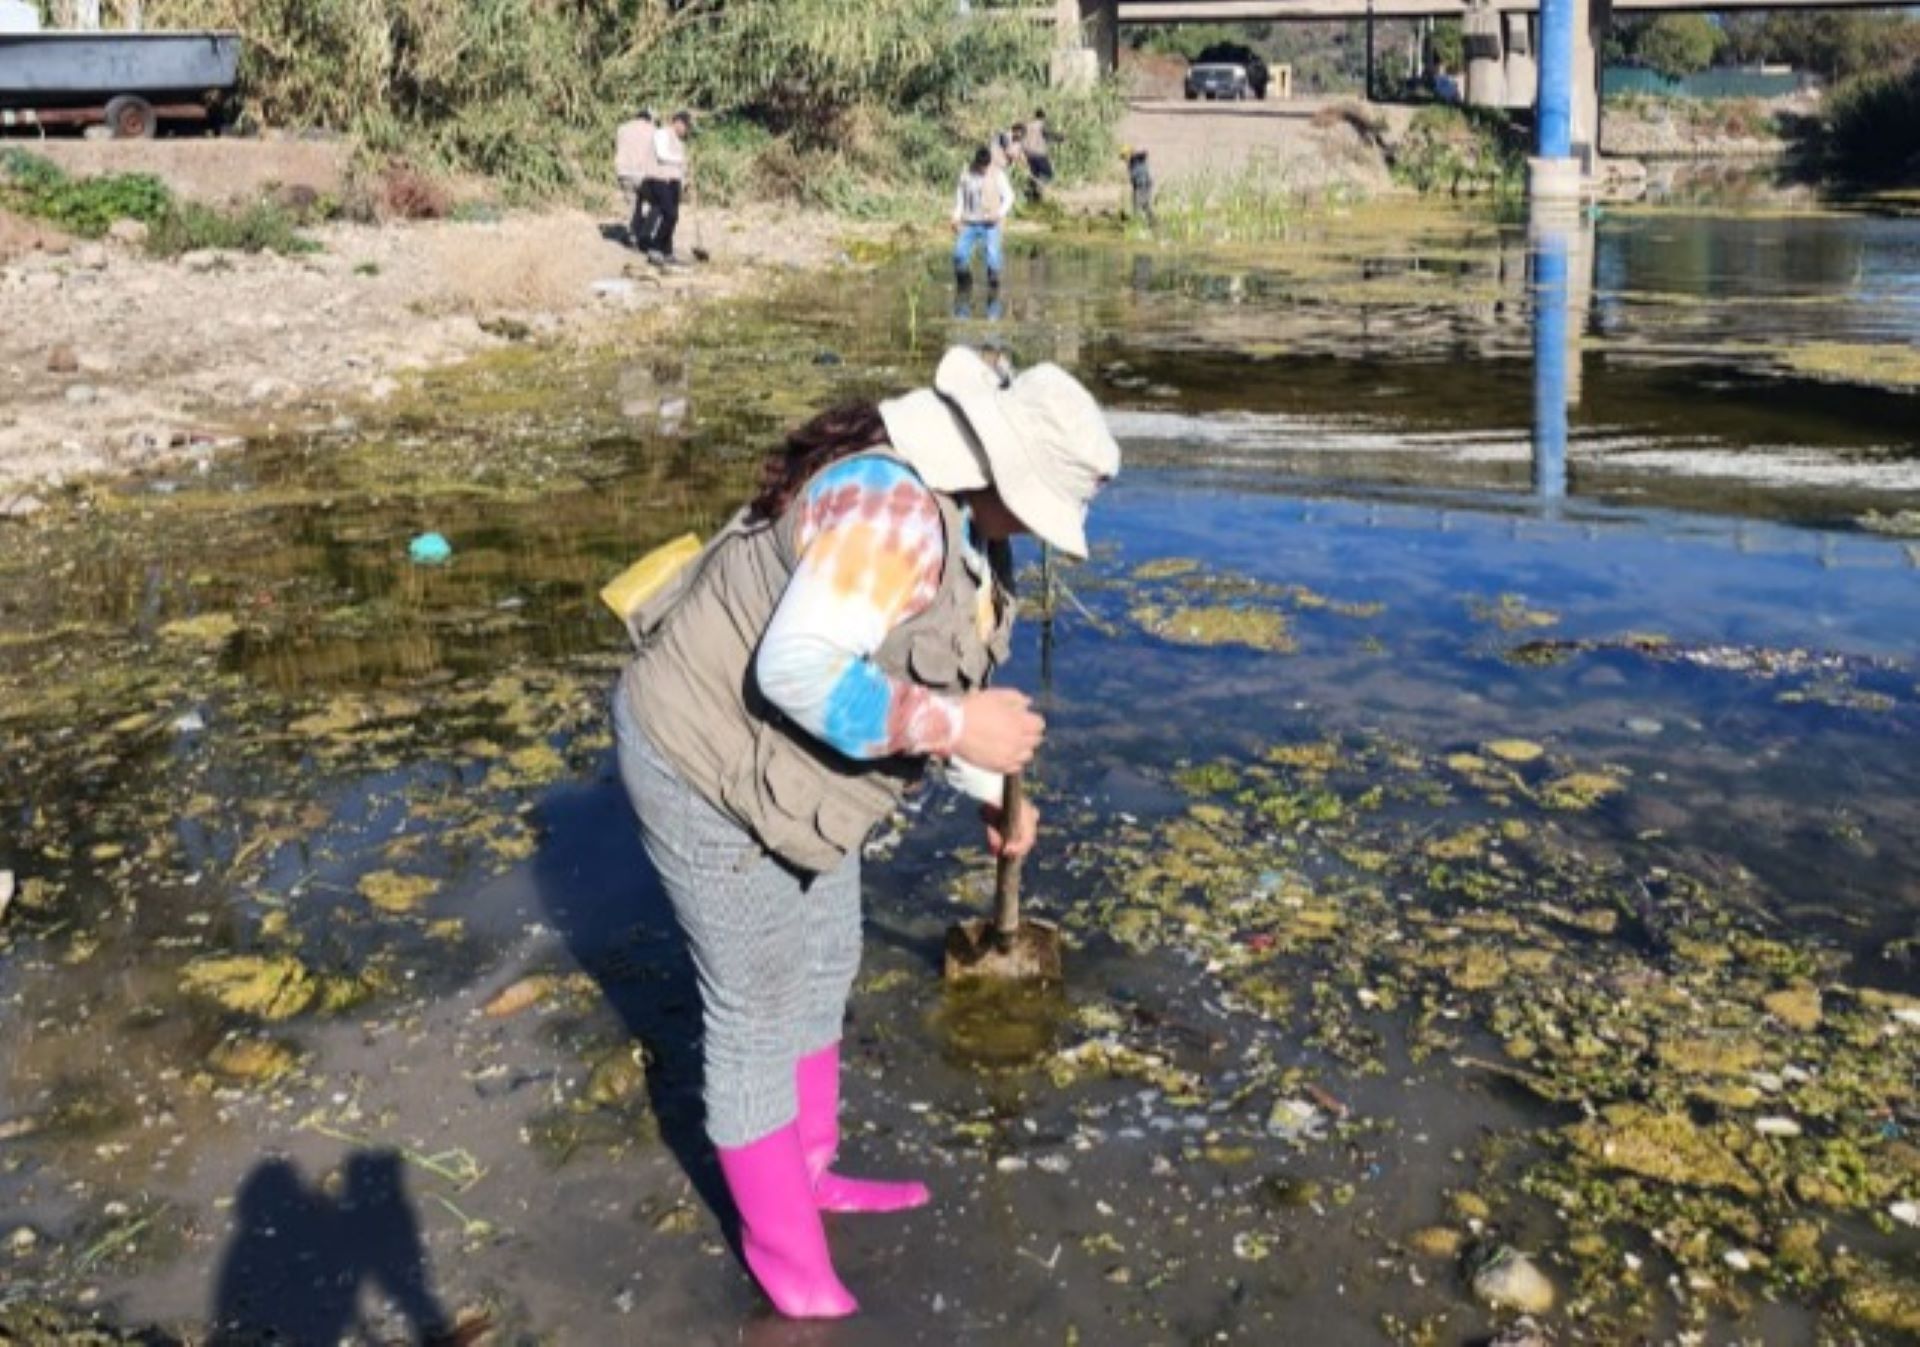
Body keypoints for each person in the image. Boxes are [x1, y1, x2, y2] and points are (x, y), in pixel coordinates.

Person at [611, 346, 1120, 1319]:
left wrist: (982, 782)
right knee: (752, 1012)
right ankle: (788, 1261)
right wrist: (963, 729)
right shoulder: (891, 514)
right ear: (1003, 474)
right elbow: (795, 675)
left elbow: (917, 665)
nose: (1047, 537)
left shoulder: (970, 527)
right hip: (699, 757)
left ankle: (810, 1172)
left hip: (796, 766)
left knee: (826, 958)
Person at [953, 146, 1015, 291]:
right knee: (959, 255)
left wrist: (999, 213)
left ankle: (993, 291)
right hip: (970, 222)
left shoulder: (998, 175)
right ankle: (964, 286)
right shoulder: (966, 174)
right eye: (980, 166)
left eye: (985, 166)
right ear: (976, 162)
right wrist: (955, 216)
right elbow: (960, 198)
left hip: (990, 224)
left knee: (993, 258)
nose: (983, 169)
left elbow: (1009, 197)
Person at [640, 109, 693, 266]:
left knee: (673, 216)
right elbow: (663, 155)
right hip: (658, 179)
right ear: (677, 122)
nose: (686, 130)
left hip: (673, 182)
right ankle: (655, 248)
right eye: (685, 126)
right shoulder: (662, 133)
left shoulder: (679, 141)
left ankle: (667, 250)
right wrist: (682, 159)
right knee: (669, 214)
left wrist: (685, 180)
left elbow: (679, 167)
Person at [615, 107, 658, 250]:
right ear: (650, 119)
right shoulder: (654, 131)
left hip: (623, 173)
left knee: (634, 205)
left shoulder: (622, 129)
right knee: (657, 204)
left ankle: (633, 235)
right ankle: (645, 235)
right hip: (643, 175)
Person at [1024, 108, 1058, 202]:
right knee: (1048, 175)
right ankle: (1037, 186)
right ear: (1043, 117)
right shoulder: (1040, 125)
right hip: (1039, 154)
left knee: (1036, 175)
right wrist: (1060, 138)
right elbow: (1047, 135)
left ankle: (1034, 198)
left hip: (1029, 155)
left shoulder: (1028, 125)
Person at [1126, 147, 1155, 227]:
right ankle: (1152, 221)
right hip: (1145, 184)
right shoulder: (1134, 162)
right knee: (1145, 204)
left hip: (1142, 185)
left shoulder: (1136, 160)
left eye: (1124, 156)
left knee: (1137, 205)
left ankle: (1136, 224)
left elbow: (1144, 153)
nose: (1124, 159)